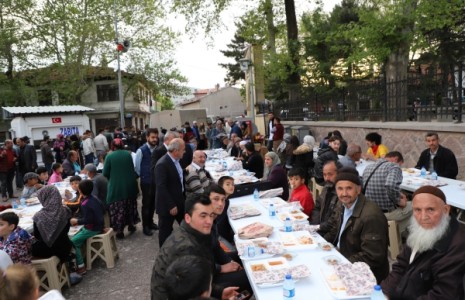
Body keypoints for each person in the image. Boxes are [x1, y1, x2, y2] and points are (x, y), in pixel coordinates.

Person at [381, 186, 465, 299]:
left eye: (430, 209)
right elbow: (401, 266)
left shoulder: (457, 245)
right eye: (417, 210)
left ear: (445, 210)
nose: (423, 217)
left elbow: (443, 295)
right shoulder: (421, 229)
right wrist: (383, 293)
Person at [151, 194, 239, 300]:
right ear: (188, 218)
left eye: (211, 215)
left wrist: (220, 292)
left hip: (189, 288)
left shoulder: (191, 232)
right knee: (246, 278)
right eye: (203, 216)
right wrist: (219, 292)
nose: (209, 221)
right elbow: (192, 290)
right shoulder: (186, 247)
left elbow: (195, 282)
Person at [323, 168, 389, 283]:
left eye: (349, 188)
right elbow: (335, 230)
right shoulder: (342, 204)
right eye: (340, 188)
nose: (344, 194)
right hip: (341, 257)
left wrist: (341, 262)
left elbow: (372, 256)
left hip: (365, 275)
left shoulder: (371, 216)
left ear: (358, 189)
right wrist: (321, 245)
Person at [206, 185, 251, 295]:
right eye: (216, 199)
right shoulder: (204, 223)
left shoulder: (213, 219)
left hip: (212, 262)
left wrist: (230, 262)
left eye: (223, 200)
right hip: (207, 277)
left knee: (243, 255)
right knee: (251, 276)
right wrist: (221, 268)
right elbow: (198, 264)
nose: (221, 204)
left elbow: (216, 248)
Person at [362, 151, 412, 234]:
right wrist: (399, 201)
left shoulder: (368, 167)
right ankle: (397, 234)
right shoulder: (394, 167)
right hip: (386, 213)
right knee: (416, 206)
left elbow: (378, 187)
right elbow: (389, 185)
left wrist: (398, 194)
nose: (399, 166)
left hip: (371, 211)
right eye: (400, 164)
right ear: (396, 159)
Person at [103, 138, 139, 239]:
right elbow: (132, 168)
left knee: (118, 208)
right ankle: (131, 225)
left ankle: (119, 230)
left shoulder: (109, 156)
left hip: (116, 187)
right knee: (130, 205)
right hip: (130, 185)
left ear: (112, 145)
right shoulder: (128, 154)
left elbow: (105, 173)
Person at [155, 138, 186, 247]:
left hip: (179, 200)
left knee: (186, 227)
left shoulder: (176, 161)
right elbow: (161, 186)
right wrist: (171, 205)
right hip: (168, 205)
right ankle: (164, 255)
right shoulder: (162, 164)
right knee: (165, 232)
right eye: (183, 149)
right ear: (176, 151)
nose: (184, 151)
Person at [70, 180, 105, 275]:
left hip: (92, 228)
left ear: (80, 191)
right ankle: (83, 256)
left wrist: (77, 221)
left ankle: (81, 266)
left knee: (73, 241)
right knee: (77, 235)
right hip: (100, 225)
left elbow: (88, 220)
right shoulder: (94, 198)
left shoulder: (85, 203)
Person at [135, 128, 159, 236]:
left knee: (153, 203)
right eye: (152, 137)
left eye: (156, 137)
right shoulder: (141, 150)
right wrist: (144, 175)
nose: (155, 139)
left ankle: (151, 222)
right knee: (146, 204)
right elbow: (137, 166)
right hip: (146, 181)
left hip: (156, 181)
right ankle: (145, 226)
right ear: (147, 137)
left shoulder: (158, 149)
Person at [312, 161, 340, 236]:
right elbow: (317, 207)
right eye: (324, 175)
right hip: (320, 229)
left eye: (330, 174)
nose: (327, 178)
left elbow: (334, 221)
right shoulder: (327, 187)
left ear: (338, 173)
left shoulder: (341, 192)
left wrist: (319, 227)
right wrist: (316, 225)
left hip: (330, 234)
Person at [217, 176, 235, 244]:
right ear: (221, 186)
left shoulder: (226, 201)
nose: (231, 186)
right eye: (228, 184)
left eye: (233, 184)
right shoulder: (220, 202)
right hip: (218, 236)